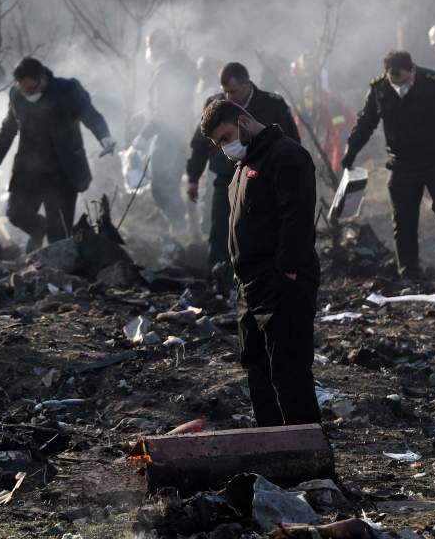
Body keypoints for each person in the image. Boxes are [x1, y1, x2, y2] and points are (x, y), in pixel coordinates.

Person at [200, 98, 322, 427]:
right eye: (218, 144)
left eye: (226, 137)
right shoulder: (242, 168)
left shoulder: (286, 156)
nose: (225, 148)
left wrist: (286, 273)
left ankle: (307, 458)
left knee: (290, 374)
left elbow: (296, 221)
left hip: (282, 284)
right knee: (258, 372)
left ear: (243, 120)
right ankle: (271, 450)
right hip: (250, 289)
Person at [341, 50, 435, 281]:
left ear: (412, 71)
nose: (399, 86)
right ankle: (409, 273)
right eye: (394, 81)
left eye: (404, 80)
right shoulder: (380, 89)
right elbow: (365, 123)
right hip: (402, 164)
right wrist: (351, 150)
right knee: (404, 220)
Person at [0, 57, 115, 251]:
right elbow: (9, 128)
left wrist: (104, 136)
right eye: (23, 89)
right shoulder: (16, 95)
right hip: (30, 169)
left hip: (63, 172)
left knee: (59, 235)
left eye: (32, 89)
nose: (28, 94)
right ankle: (39, 229)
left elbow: (89, 113)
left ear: (43, 80)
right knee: (16, 213)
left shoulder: (68, 90)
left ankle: (58, 275)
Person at [187, 62, 298, 275]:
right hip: (226, 176)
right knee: (221, 229)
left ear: (246, 85)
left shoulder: (271, 104)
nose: (228, 97)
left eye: (233, 91)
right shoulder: (215, 105)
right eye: (225, 92)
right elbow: (201, 143)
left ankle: (262, 274)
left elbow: (290, 140)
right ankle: (219, 277)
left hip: (263, 179)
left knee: (260, 229)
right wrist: (193, 176)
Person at [130, 29, 195, 232]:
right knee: (172, 183)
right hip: (181, 133)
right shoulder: (181, 66)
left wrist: (144, 134)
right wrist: (146, 114)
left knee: (161, 185)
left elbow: (165, 110)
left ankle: (179, 226)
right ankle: (183, 229)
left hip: (168, 136)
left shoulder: (166, 70)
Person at [290, 52, 353, 176]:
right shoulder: (301, 90)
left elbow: (338, 117)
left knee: (336, 143)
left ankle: (335, 174)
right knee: (325, 145)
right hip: (323, 118)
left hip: (337, 120)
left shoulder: (325, 95)